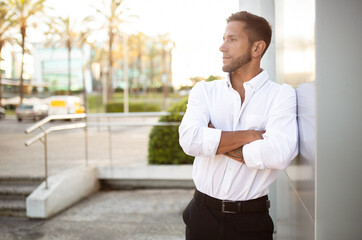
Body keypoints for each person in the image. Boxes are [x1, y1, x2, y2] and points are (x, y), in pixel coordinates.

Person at [178, 11, 298, 240]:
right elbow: (189, 140)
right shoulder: (205, 91)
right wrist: (250, 136)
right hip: (202, 216)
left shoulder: (281, 95)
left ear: (257, 48)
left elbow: (278, 155)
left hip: (252, 222)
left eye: (232, 39)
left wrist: (214, 140)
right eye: (224, 39)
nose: (222, 47)